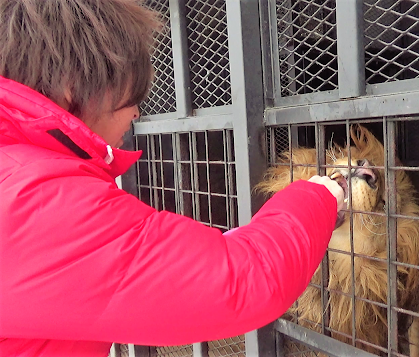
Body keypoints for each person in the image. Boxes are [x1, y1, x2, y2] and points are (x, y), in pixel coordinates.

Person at [0, 1, 344, 356]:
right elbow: (245, 281)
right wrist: (328, 192)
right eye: (130, 97)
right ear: (72, 87)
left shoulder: (18, 172)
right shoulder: (37, 199)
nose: (136, 113)